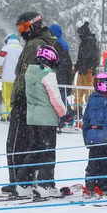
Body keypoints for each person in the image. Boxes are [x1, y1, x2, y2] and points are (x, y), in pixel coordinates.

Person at [4, 12, 55, 196]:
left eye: (23, 28)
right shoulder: (40, 42)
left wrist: (19, 98)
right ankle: (26, 180)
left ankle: (18, 182)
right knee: (31, 144)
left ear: (33, 26)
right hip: (33, 102)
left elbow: (26, 76)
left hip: (25, 101)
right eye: (19, 29)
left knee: (16, 143)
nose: (21, 32)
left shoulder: (35, 44)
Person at [22, 45, 71, 197]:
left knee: (33, 150)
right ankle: (46, 185)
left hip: (32, 118)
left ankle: (23, 184)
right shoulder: (48, 74)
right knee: (48, 153)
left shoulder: (29, 72)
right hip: (47, 120)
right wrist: (64, 114)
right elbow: (55, 98)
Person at [82, 72, 107, 196]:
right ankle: (104, 185)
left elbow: (86, 120)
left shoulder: (92, 100)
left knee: (93, 162)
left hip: (93, 137)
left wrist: (86, 138)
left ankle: (91, 183)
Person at [0, 33, 23, 122]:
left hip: (7, 77)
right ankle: (15, 114)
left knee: (6, 96)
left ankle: (6, 115)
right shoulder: (21, 49)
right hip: (19, 78)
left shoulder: (6, 48)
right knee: (17, 96)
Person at [75, 22, 100, 114]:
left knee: (85, 94)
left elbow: (91, 57)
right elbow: (82, 57)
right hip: (83, 70)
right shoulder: (87, 42)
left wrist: (90, 68)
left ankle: (83, 112)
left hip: (87, 71)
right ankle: (79, 111)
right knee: (81, 93)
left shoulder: (89, 42)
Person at [49, 24, 73, 110]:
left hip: (55, 74)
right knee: (61, 97)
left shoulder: (51, 43)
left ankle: (66, 113)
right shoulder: (64, 43)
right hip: (63, 74)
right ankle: (67, 113)